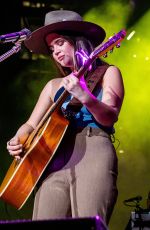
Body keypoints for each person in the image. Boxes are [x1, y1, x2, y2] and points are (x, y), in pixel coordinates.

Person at [7, 10, 124, 227]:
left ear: (77, 41)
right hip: (54, 157)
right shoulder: (53, 86)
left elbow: (110, 116)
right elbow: (31, 124)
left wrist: (84, 96)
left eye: (60, 43)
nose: (56, 52)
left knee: (88, 222)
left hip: (93, 147)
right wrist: (18, 138)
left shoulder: (109, 73)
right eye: (52, 49)